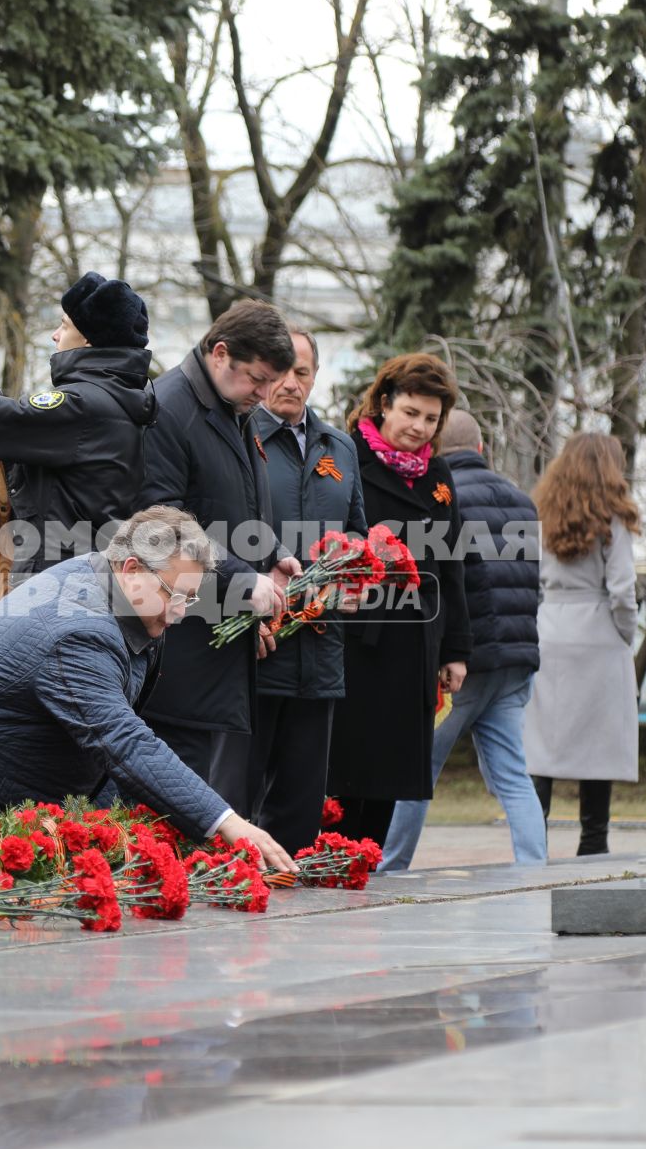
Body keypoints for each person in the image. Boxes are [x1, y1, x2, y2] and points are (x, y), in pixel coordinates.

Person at [0, 506, 294, 870]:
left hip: (3, 790)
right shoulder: (77, 631)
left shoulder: (115, 585)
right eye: (174, 594)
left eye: (190, 598)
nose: (180, 613)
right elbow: (123, 742)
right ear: (131, 569)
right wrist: (227, 823)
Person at [136, 300, 299, 794]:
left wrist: (271, 560)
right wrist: (243, 581)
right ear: (221, 353)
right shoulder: (168, 408)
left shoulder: (231, 405)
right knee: (172, 800)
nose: (266, 393)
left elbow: (232, 506)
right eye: (258, 378)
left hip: (213, 649)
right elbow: (160, 523)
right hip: (177, 652)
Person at [385, 410, 543, 870]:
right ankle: (534, 866)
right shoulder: (522, 501)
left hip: (464, 662)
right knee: (514, 774)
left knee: (418, 770)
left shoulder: (441, 499)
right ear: (481, 449)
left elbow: (447, 585)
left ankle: (389, 868)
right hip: (515, 659)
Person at [328, 353, 470, 845]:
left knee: (391, 773)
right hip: (357, 639)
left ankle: (367, 867)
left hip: (415, 643)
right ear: (384, 403)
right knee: (346, 771)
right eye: (410, 412)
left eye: (431, 419)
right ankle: (333, 863)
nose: (419, 427)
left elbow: (452, 568)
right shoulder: (344, 456)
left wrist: (455, 650)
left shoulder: (439, 477)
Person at [246, 329, 365, 854]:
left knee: (302, 793)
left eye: (303, 372)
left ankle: (289, 886)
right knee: (241, 787)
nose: (291, 383)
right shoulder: (238, 434)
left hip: (320, 647)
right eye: (282, 370)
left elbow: (358, 531)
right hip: (253, 642)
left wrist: (358, 572)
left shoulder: (339, 446)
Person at [0, 271, 157, 575]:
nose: (55, 334)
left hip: (56, 581)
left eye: (64, 325)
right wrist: (13, 512)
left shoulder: (82, 404)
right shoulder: (116, 400)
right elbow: (72, 494)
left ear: (88, 339)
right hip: (78, 575)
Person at [521, 433, 641, 857]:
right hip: (598, 635)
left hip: (549, 629)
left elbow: (529, 580)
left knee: (541, 749)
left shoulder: (540, 514)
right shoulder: (614, 519)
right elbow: (623, 591)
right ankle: (594, 843)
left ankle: (534, 847)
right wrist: (625, 635)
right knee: (598, 748)